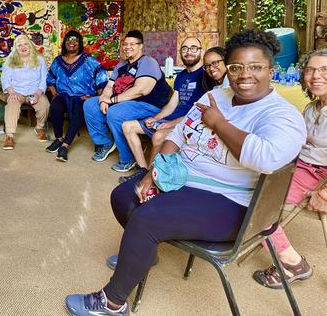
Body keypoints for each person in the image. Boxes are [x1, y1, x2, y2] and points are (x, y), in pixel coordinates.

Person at [65, 29, 306, 316]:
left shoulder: (282, 115)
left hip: (233, 203)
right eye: (236, 67)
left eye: (256, 67)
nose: (245, 75)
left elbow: (265, 159)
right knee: (124, 195)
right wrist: (153, 173)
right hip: (186, 181)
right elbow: (178, 134)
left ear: (271, 70)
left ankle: (112, 302)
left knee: (146, 218)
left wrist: (219, 124)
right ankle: (141, 254)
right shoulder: (217, 95)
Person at [252, 48, 327, 289]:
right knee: (245, 181)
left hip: (316, 173)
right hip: (296, 165)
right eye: (310, 70)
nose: (316, 76)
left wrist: (324, 193)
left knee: (257, 205)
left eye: (324, 70)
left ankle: (292, 263)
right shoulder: (312, 108)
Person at [83, 30, 171, 173]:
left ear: (141, 46)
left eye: (132, 44)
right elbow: (110, 86)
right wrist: (104, 99)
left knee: (115, 113)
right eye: (125, 44)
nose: (127, 47)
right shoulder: (122, 65)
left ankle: (127, 158)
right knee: (90, 105)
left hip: (148, 104)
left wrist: (112, 101)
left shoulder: (148, 62)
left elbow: (141, 90)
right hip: (124, 102)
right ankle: (105, 143)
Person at [122, 37, 205, 169]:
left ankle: (150, 174)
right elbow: (172, 104)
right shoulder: (181, 76)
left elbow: (200, 112)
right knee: (127, 126)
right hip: (172, 118)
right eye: (185, 48)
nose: (189, 52)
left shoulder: (206, 75)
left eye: (193, 48)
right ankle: (143, 168)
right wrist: (156, 118)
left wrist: (171, 124)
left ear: (201, 51)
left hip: (189, 122)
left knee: (158, 136)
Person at [45, 30, 108, 162]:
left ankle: (65, 145)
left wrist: (97, 97)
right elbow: (50, 78)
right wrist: (55, 94)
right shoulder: (58, 61)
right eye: (69, 40)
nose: (72, 42)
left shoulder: (87, 60)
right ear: (64, 43)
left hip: (82, 96)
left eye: (75, 40)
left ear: (80, 43)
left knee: (80, 109)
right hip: (63, 95)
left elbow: (102, 75)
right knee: (55, 105)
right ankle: (58, 139)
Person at [0, 34, 50, 150]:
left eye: (25, 44)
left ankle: (39, 127)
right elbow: (5, 79)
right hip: (17, 92)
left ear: (30, 45)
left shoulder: (39, 59)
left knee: (45, 104)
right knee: (12, 104)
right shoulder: (10, 60)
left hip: (35, 92)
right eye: (19, 45)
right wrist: (12, 93)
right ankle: (9, 136)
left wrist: (38, 93)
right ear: (15, 48)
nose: (23, 47)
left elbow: (44, 79)